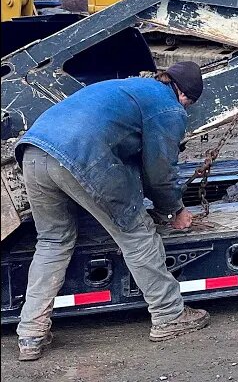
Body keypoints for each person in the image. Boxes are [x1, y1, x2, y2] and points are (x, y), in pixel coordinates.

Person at [14, 62, 213, 361]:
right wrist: (174, 210)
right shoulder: (169, 107)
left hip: (33, 151)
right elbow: (159, 171)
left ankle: (30, 334)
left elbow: (131, 159)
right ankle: (169, 315)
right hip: (81, 155)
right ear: (185, 96)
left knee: (53, 241)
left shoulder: (129, 88)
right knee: (136, 233)